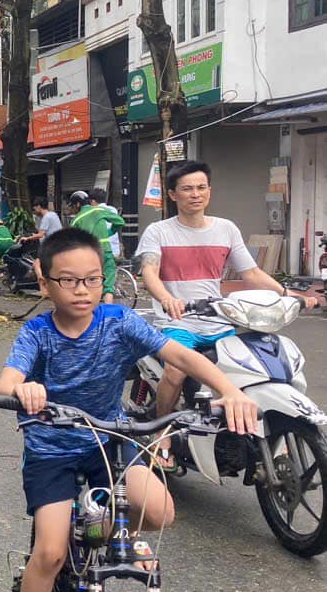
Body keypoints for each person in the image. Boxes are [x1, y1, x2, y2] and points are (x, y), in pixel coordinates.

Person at [0, 227, 259, 592]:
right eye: (69, 280)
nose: (82, 290)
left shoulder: (118, 322)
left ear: (104, 279)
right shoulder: (37, 333)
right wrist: (23, 388)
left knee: (158, 510)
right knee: (51, 551)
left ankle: (111, 530)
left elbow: (179, 354)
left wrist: (230, 390)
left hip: (110, 439)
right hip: (52, 448)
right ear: (46, 281)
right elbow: (4, 383)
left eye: (92, 279)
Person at [135, 160, 317, 467]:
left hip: (218, 319)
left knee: (252, 367)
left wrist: (290, 295)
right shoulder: (159, 231)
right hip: (177, 321)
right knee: (176, 371)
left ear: (210, 191)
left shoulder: (225, 228)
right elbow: (149, 273)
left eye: (201, 187)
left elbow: (252, 273)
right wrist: (167, 299)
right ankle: (161, 430)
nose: (195, 194)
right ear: (172, 195)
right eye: (187, 189)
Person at [69, 191, 125, 304]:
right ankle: (108, 314)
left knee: (90, 283)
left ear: (78, 204)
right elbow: (120, 222)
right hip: (106, 251)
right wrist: (109, 232)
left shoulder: (75, 220)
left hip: (88, 256)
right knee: (108, 286)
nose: (72, 209)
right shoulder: (98, 211)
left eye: (73, 206)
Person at [91, 187, 121, 259]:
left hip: (103, 251)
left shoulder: (93, 212)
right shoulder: (113, 209)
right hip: (115, 251)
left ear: (93, 201)